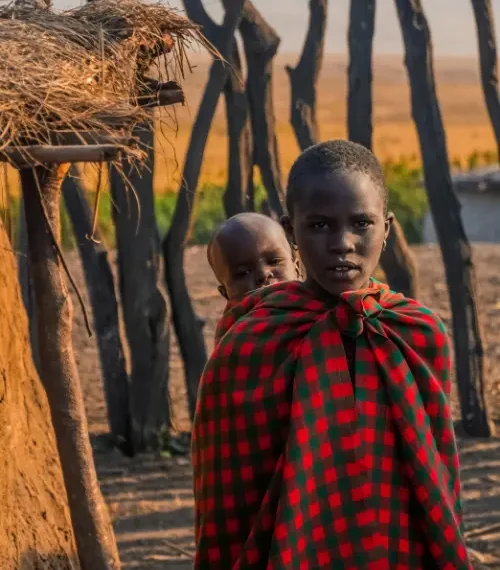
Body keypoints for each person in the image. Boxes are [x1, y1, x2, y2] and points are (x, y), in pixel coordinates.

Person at [193, 140, 470, 570]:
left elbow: (437, 482)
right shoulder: (249, 347)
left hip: (398, 551)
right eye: (320, 226)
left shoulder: (418, 334)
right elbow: (229, 505)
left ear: (388, 227)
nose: (342, 243)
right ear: (291, 231)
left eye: (361, 223)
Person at [207, 212, 300, 303]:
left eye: (274, 262)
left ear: (296, 268)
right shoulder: (234, 318)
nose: (263, 274)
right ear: (226, 293)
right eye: (244, 272)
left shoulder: (313, 311)